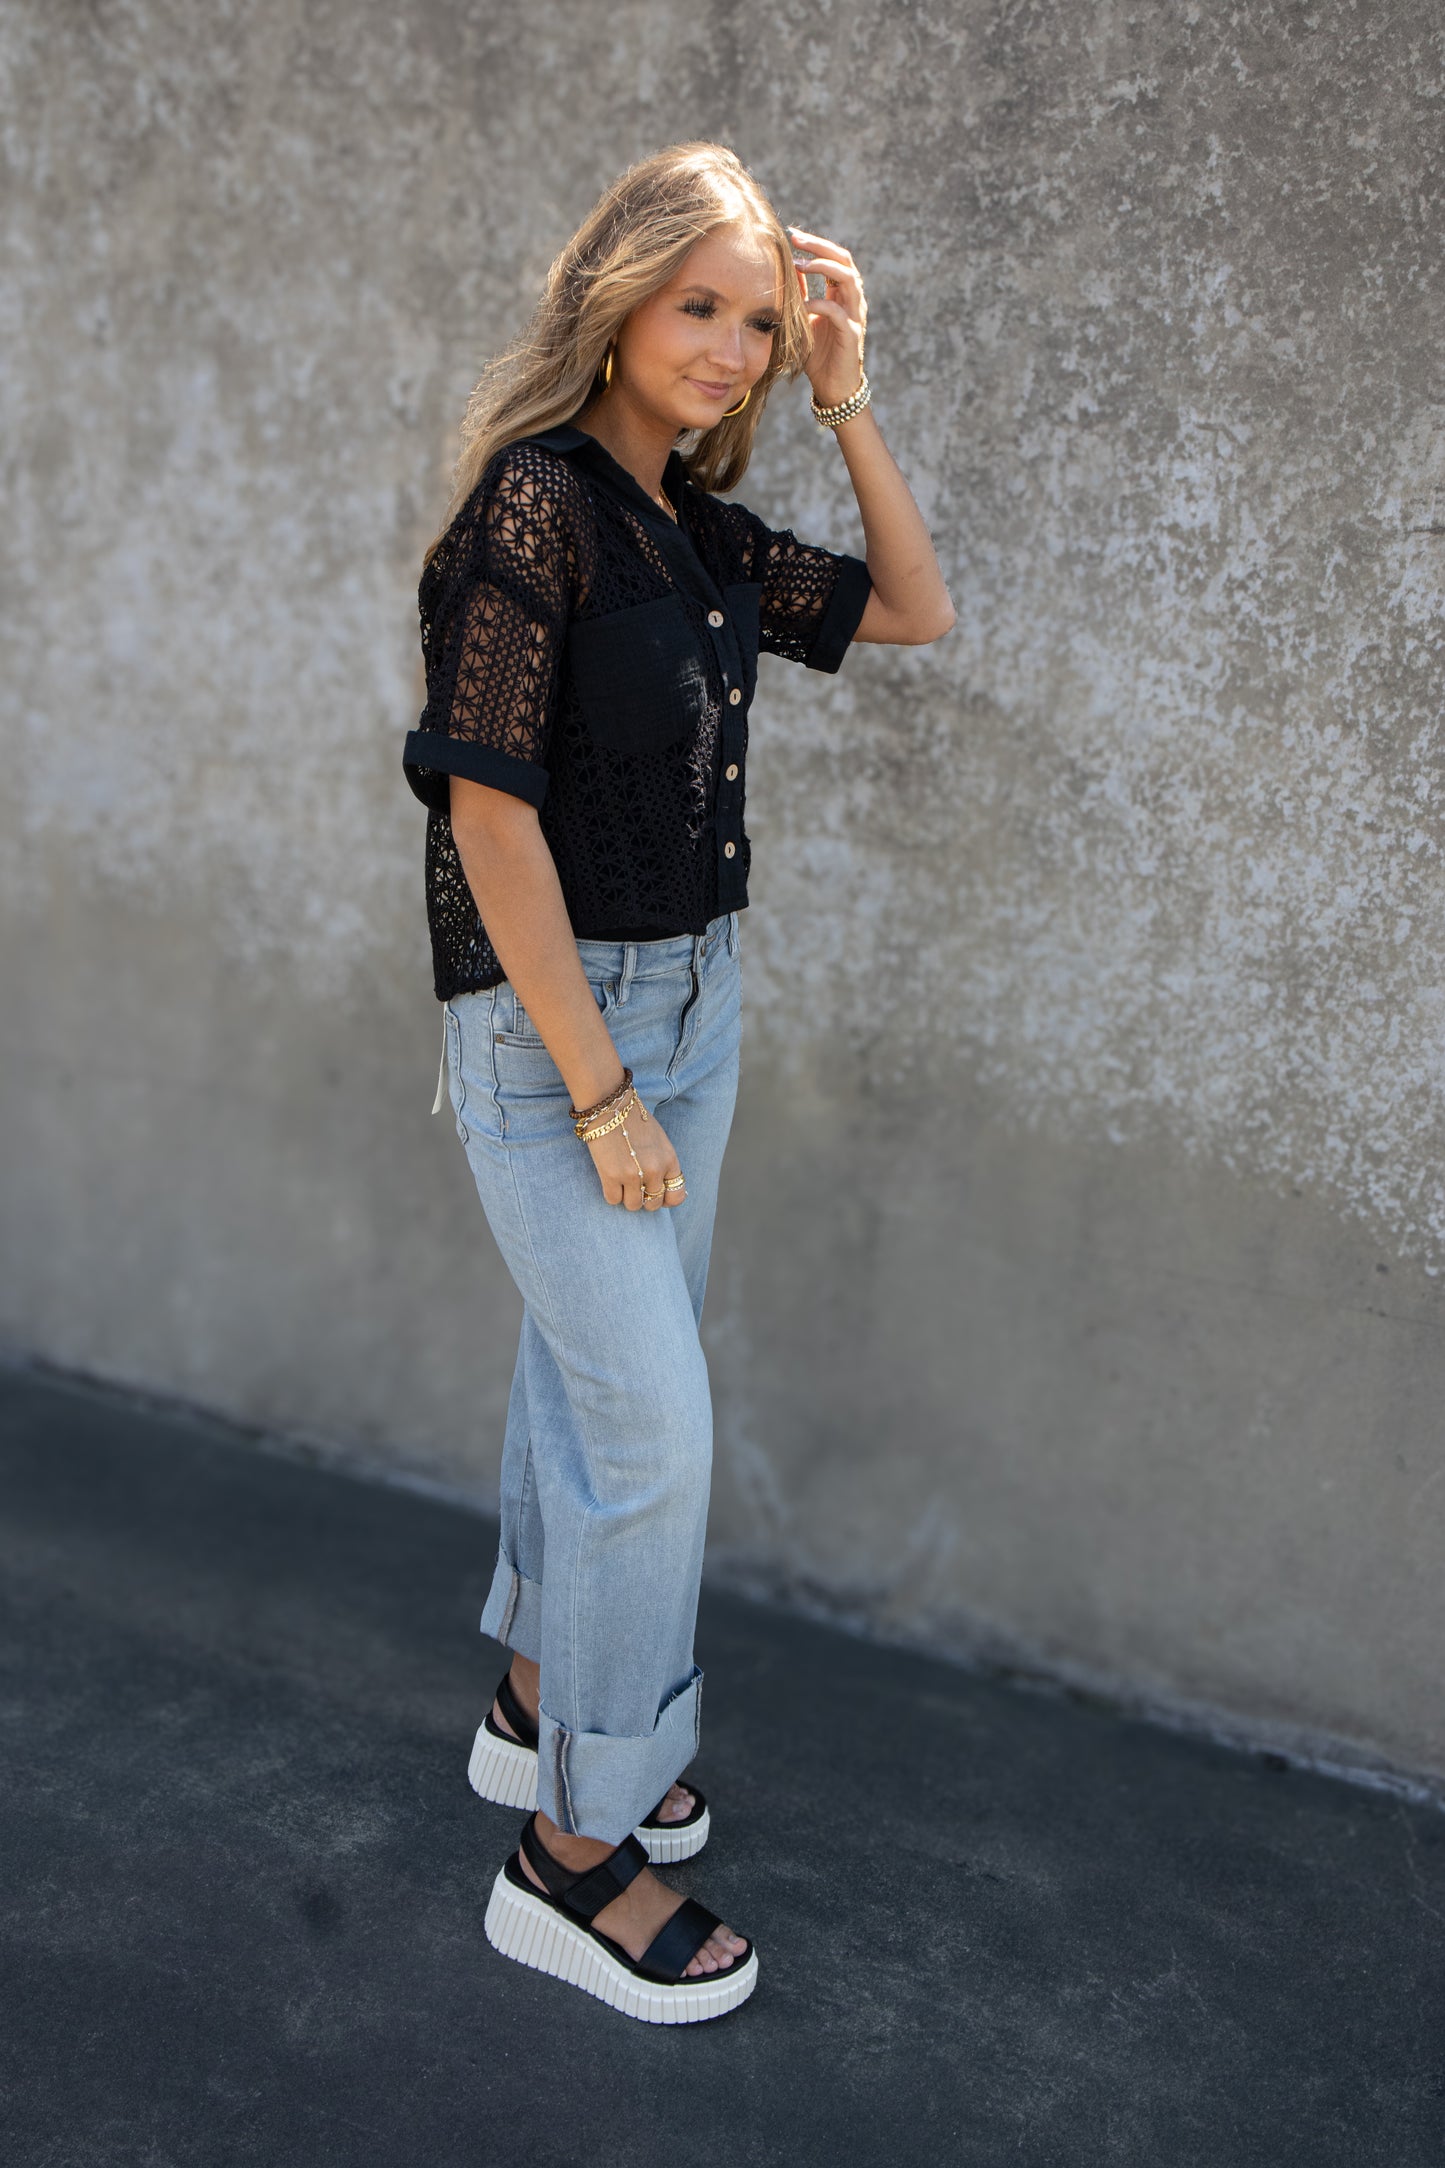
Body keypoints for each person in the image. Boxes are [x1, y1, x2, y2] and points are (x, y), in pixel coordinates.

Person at [401, 141, 955, 2024]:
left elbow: (911, 608)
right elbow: (488, 815)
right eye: (697, 307)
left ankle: (537, 1705)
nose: (728, 348)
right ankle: (568, 1860)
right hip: (560, 1031)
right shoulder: (533, 506)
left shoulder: (694, 532)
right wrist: (599, 1092)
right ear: (614, 301)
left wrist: (848, 393)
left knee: (592, 1384)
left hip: (695, 1005)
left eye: (757, 321)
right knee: (651, 1441)